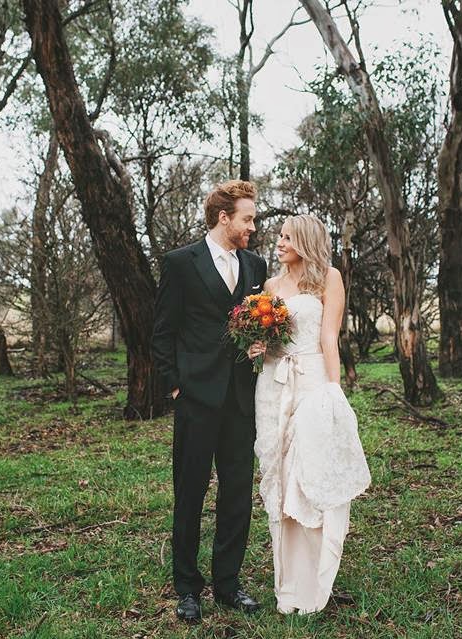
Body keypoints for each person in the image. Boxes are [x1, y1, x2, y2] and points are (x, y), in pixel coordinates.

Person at [152, 180, 268, 623]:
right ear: (224, 218)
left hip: (241, 399)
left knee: (237, 493)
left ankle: (228, 584)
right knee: (191, 492)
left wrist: (259, 345)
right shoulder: (181, 263)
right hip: (197, 398)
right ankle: (187, 587)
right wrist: (176, 386)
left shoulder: (255, 265)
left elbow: (256, 322)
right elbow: (162, 330)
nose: (252, 227)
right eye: (247, 219)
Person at [248, 214, 371, 615]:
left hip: (313, 381)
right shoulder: (269, 287)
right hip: (273, 385)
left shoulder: (328, 278)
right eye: (279, 236)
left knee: (312, 474)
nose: (279, 242)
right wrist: (257, 349)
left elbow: (328, 339)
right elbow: (267, 343)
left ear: (304, 241)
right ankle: (287, 586)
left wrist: (334, 392)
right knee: (281, 479)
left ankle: (317, 581)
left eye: (286, 237)